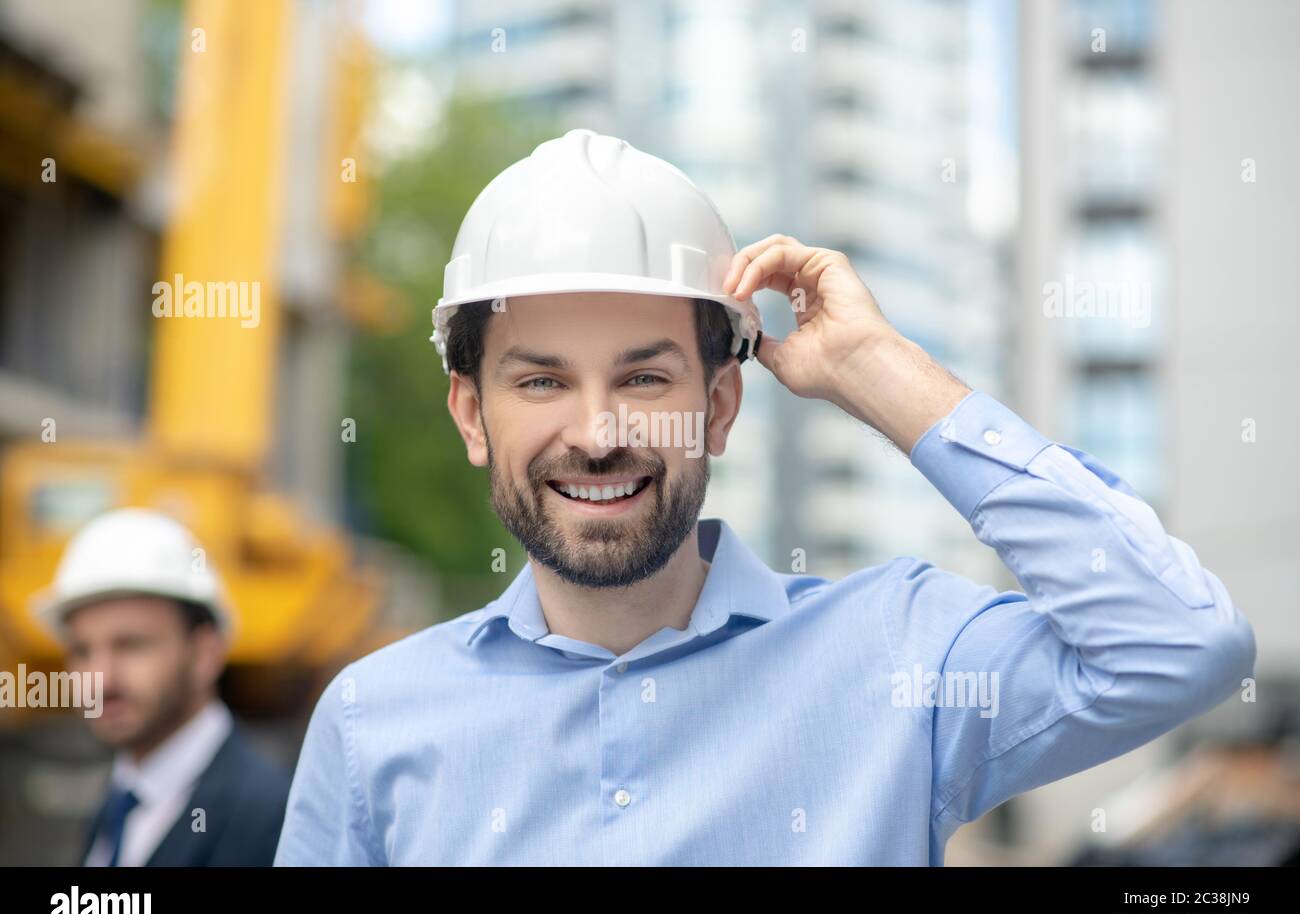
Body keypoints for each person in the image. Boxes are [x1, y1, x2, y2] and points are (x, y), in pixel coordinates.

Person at [275, 129, 1255, 865]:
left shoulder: (895, 658)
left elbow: (1180, 640)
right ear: (471, 413)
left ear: (719, 402)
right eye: (539, 381)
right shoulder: (373, 722)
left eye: (646, 377)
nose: (598, 428)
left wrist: (876, 365)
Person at [34, 507, 291, 866]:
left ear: (204, 653)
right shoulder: (117, 801)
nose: (100, 680)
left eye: (131, 645)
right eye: (81, 651)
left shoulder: (272, 819)